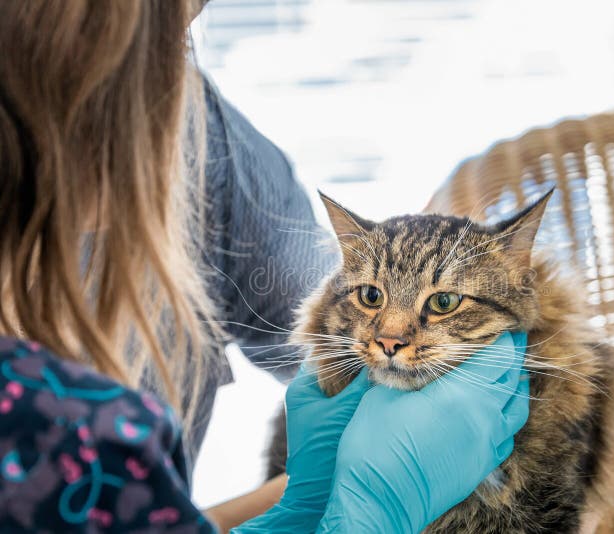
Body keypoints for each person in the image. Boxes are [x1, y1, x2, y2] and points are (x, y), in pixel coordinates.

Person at [0, 1, 530, 532]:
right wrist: (368, 511)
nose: (177, 93)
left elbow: (341, 321)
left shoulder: (213, 147)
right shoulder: (86, 426)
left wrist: (308, 496)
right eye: (168, 40)